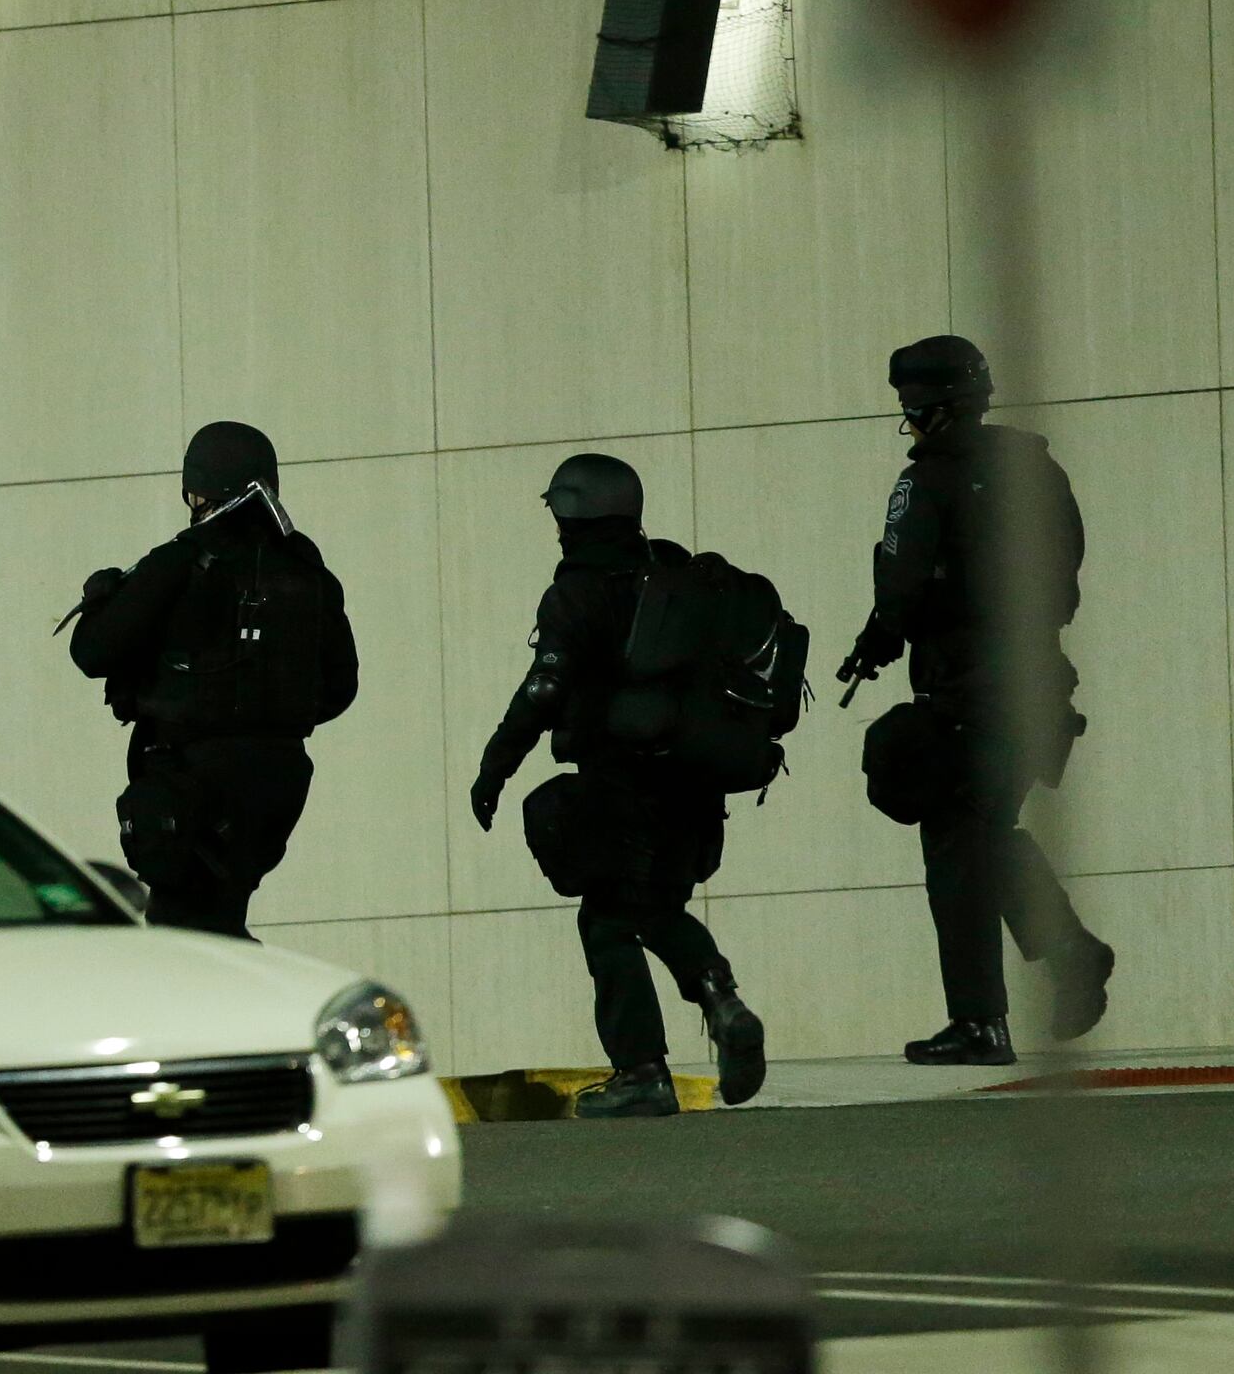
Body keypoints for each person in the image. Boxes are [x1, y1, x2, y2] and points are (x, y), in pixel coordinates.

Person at [837, 335, 1116, 1064]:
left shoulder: (926, 480)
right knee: (984, 832)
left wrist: (879, 637)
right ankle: (1070, 956)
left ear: (928, 411)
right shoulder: (1038, 468)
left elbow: (899, 586)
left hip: (967, 691)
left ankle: (980, 1022)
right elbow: (1066, 570)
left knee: (957, 850)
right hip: (1038, 682)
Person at [468, 453, 773, 1118]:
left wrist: (497, 763)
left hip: (620, 778)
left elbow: (545, 687)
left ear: (572, 515)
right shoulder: (670, 572)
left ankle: (643, 1073)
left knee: (605, 918)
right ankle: (719, 997)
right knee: (655, 908)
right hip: (694, 780)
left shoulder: (578, 591)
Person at [65, 422, 358, 941]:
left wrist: (100, 599)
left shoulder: (183, 559)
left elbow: (91, 653)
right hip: (278, 785)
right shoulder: (308, 571)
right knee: (219, 923)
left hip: (188, 788)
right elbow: (340, 687)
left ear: (199, 490)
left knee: (181, 937)